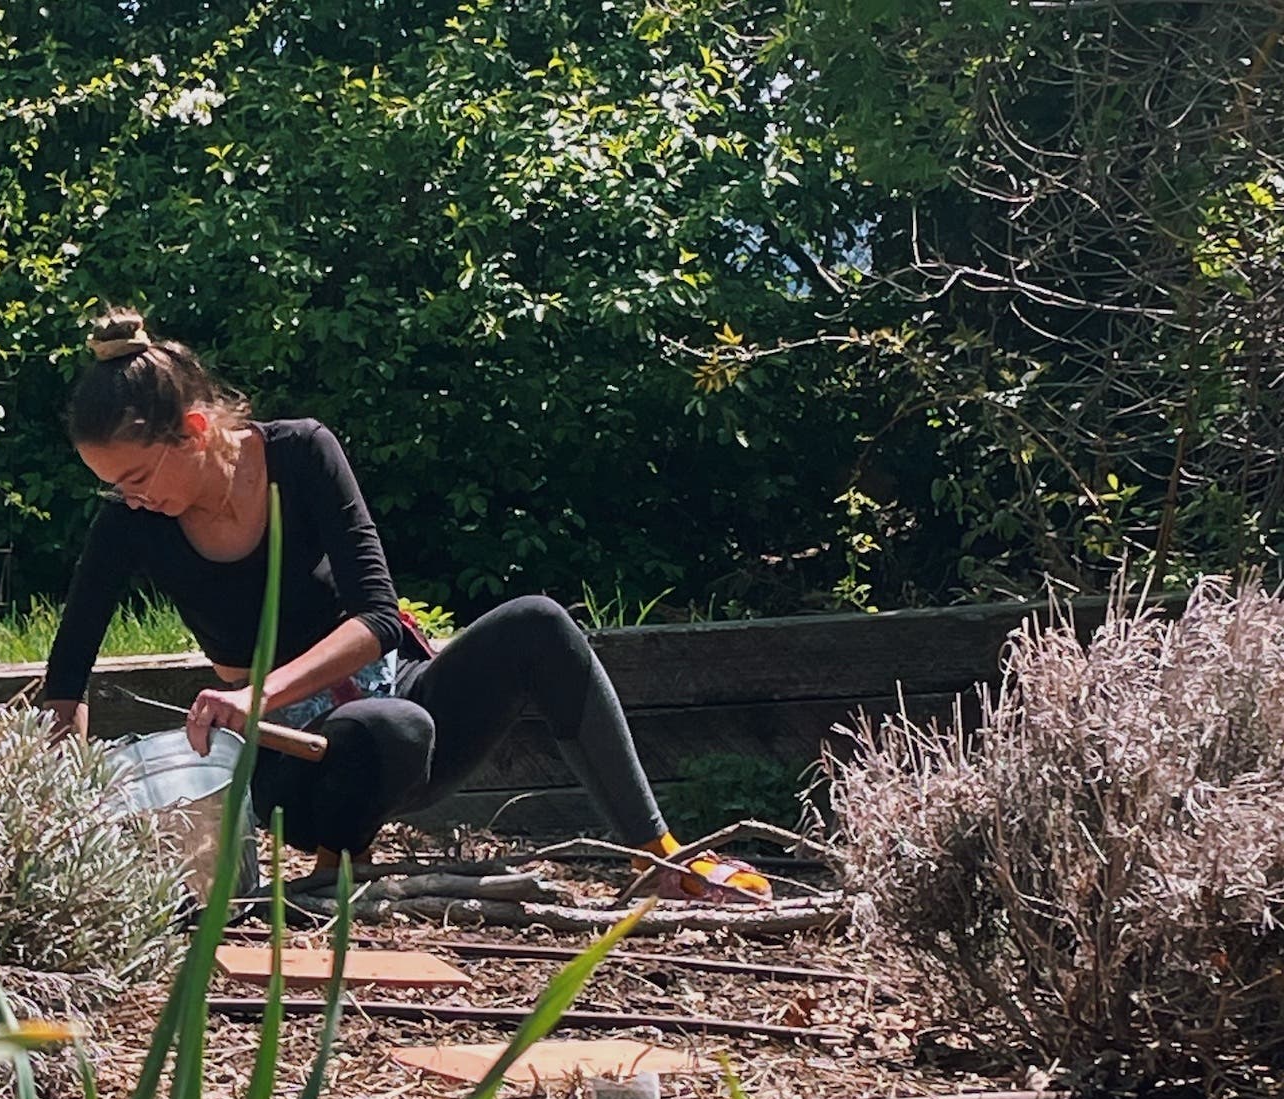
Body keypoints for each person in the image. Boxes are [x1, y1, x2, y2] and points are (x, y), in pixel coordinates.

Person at [41, 308, 771, 901]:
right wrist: (56, 810)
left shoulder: (301, 454)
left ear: (195, 431)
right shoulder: (131, 525)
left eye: (137, 476)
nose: (131, 497)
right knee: (385, 727)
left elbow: (380, 619)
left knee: (537, 625)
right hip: (292, 765)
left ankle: (659, 854)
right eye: (115, 486)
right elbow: (68, 674)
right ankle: (332, 866)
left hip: (396, 705)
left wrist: (262, 691)